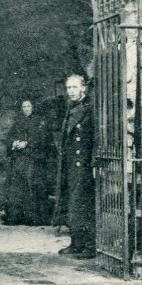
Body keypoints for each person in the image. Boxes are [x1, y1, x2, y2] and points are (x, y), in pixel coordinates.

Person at [56, 74, 96, 259]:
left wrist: (94, 162)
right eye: (68, 88)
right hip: (70, 164)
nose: (71, 91)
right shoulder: (71, 108)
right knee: (73, 205)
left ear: (83, 88)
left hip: (83, 165)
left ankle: (89, 246)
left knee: (84, 205)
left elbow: (96, 138)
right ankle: (76, 242)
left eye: (74, 87)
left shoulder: (89, 108)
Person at [3, 99, 51, 226]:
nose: (26, 108)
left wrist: (27, 143)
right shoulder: (18, 122)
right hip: (19, 159)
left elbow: (43, 139)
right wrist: (14, 143)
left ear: (33, 107)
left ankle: (33, 218)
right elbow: (10, 137)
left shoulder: (40, 122)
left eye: (28, 106)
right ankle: (18, 217)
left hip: (34, 160)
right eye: (24, 106)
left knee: (32, 187)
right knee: (18, 188)